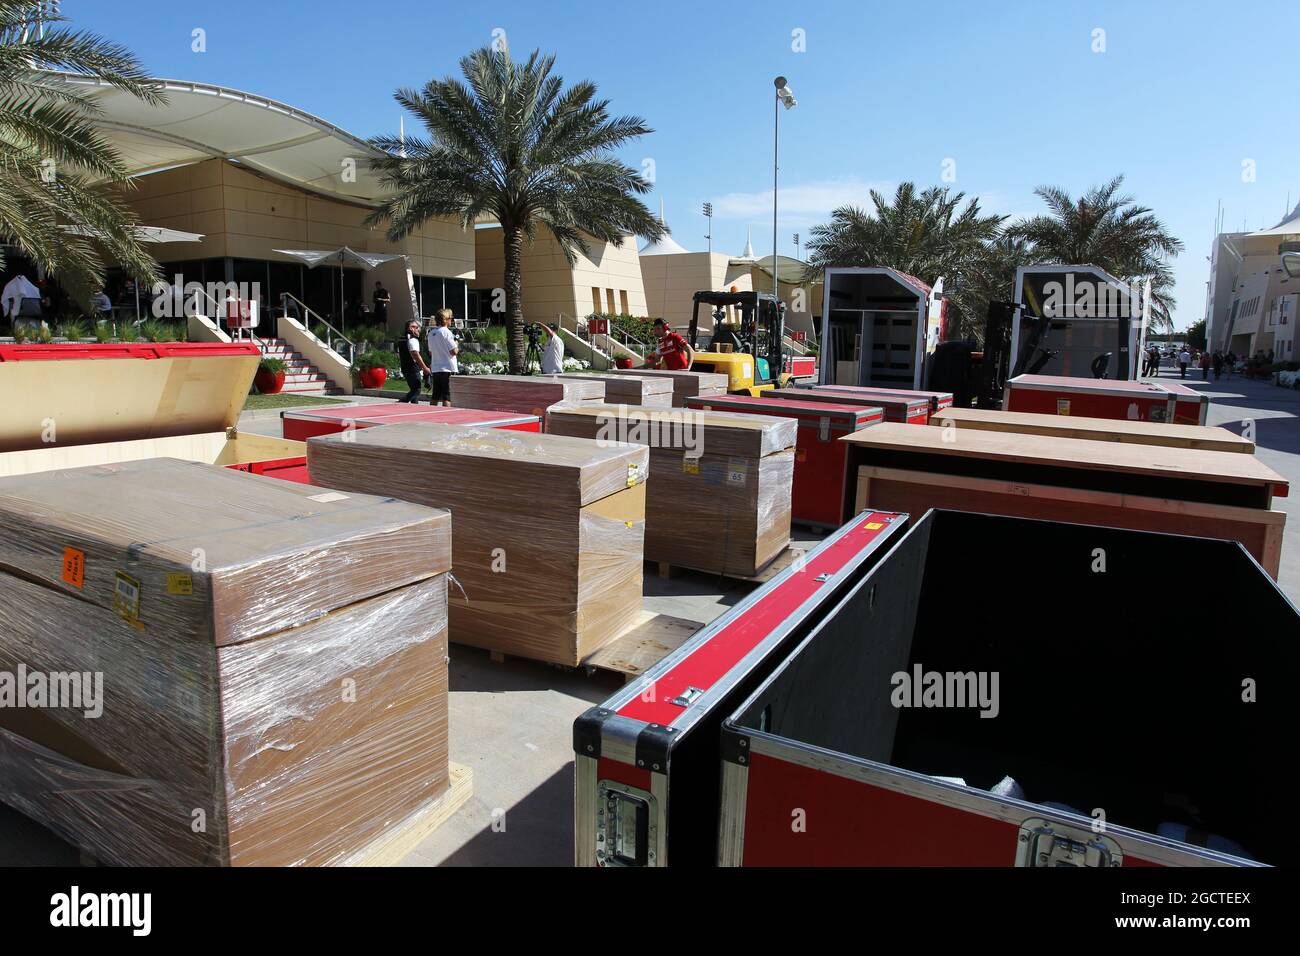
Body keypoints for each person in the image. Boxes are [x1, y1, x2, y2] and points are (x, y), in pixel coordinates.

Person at [426, 308, 459, 406]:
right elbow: (454, 351)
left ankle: (431, 414)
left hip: (436, 367)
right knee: (446, 395)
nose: (451, 320)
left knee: (435, 395)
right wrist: (457, 343)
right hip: (447, 367)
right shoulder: (447, 332)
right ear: (446, 319)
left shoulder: (431, 333)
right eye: (450, 318)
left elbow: (431, 353)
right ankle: (447, 415)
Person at [397, 319, 430, 403]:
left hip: (406, 368)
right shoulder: (413, 340)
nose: (417, 329)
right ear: (410, 328)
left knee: (414, 389)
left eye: (417, 327)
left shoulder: (403, 339)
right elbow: (415, 354)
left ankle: (413, 405)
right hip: (412, 368)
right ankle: (401, 403)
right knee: (416, 390)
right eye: (415, 327)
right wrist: (425, 367)